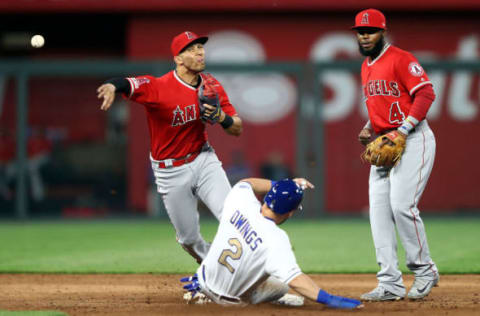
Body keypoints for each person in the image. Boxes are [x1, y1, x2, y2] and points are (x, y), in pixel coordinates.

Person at [96, 31, 243, 263]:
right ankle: (215, 268)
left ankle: (249, 273)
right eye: (191, 49)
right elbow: (127, 83)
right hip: (169, 170)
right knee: (188, 239)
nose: (199, 52)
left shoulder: (212, 85)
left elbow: (237, 128)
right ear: (178, 59)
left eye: (200, 47)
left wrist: (221, 117)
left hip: (203, 159)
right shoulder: (159, 87)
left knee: (235, 217)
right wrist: (113, 87)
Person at [352, 9, 439, 301]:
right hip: (386, 141)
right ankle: (389, 282)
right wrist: (369, 126)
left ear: (383, 31)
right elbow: (384, 105)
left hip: (413, 139)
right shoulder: (366, 66)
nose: (364, 36)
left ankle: (425, 270)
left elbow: (425, 94)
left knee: (402, 206)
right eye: (360, 32)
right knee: (379, 213)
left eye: (370, 31)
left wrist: (401, 131)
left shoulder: (402, 58)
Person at [181, 178, 363, 309]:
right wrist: (328, 299)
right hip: (227, 303)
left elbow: (248, 183)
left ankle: (201, 291)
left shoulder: (240, 199)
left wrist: (281, 184)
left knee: (264, 267)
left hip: (202, 280)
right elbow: (296, 280)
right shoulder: (276, 239)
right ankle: (261, 300)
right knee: (282, 283)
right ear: (290, 213)